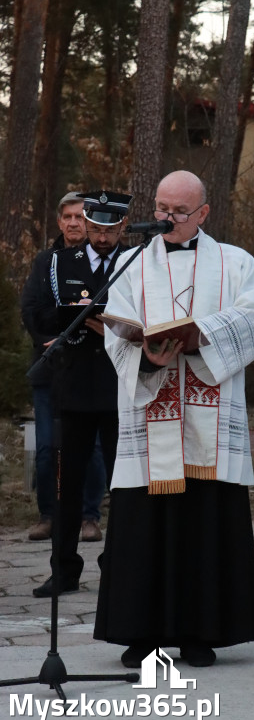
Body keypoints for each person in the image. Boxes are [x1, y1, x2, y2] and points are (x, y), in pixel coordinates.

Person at [93, 170, 254, 669]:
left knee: (205, 520)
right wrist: (148, 358)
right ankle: (140, 633)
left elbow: (253, 319)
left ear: (204, 213)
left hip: (209, 413)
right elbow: (115, 327)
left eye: (178, 211)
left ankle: (201, 633)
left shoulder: (236, 263)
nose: (166, 218)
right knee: (143, 525)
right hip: (151, 410)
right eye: (162, 207)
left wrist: (201, 335)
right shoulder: (128, 264)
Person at [32, 190, 132, 598]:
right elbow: (35, 310)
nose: (101, 237)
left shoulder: (134, 263)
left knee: (122, 484)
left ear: (122, 227)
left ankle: (119, 570)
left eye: (109, 230)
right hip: (70, 386)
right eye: (94, 228)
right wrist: (52, 335)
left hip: (119, 388)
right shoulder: (55, 263)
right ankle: (64, 569)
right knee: (66, 485)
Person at [21, 192, 108, 543]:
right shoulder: (46, 263)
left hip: (93, 368)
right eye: (67, 217)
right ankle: (49, 515)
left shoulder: (102, 264)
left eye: (80, 217)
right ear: (59, 222)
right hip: (50, 368)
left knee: (94, 450)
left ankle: (89, 516)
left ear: (90, 223)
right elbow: (32, 308)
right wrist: (51, 339)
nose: (74, 223)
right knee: (47, 448)